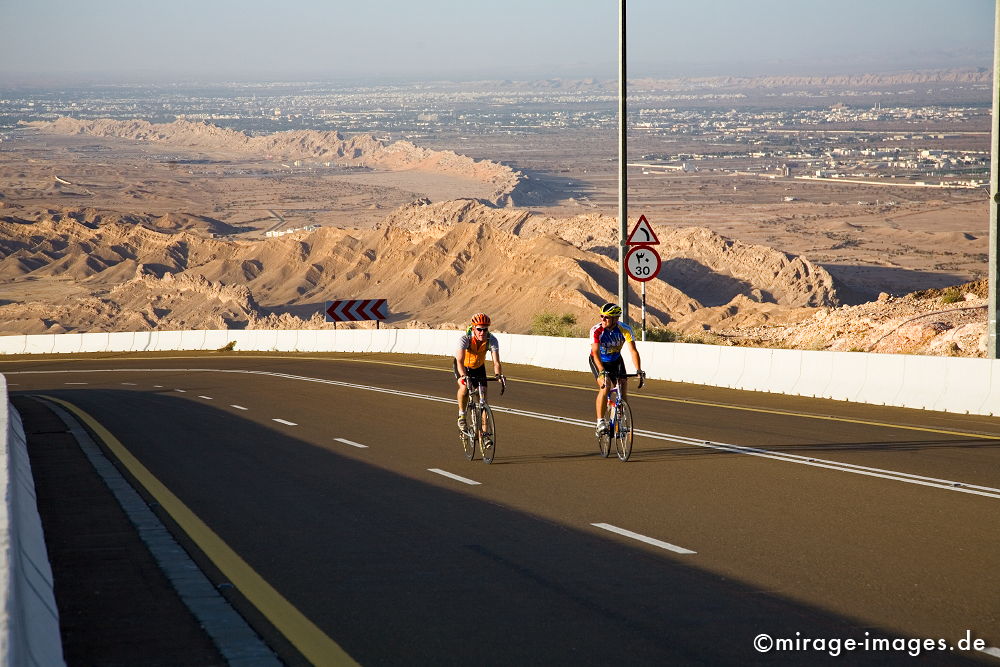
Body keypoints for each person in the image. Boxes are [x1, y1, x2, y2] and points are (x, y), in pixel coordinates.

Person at [589, 302, 644, 436]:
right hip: (599, 360)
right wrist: (602, 371)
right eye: (602, 316)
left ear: (615, 319)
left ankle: (620, 418)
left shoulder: (625, 329)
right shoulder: (596, 330)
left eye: (606, 317)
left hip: (616, 360)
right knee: (605, 385)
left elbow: (633, 351)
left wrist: (639, 370)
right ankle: (600, 421)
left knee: (623, 385)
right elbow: (595, 353)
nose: (602, 319)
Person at [455, 313, 504, 431]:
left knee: (483, 400)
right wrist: (463, 376)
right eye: (479, 329)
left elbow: (496, 362)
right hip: (464, 367)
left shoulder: (491, 340)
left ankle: (485, 433)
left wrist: (498, 375)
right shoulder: (465, 339)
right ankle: (461, 416)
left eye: (485, 329)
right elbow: (459, 361)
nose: (482, 332)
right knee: (464, 388)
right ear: (473, 328)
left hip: (479, 368)